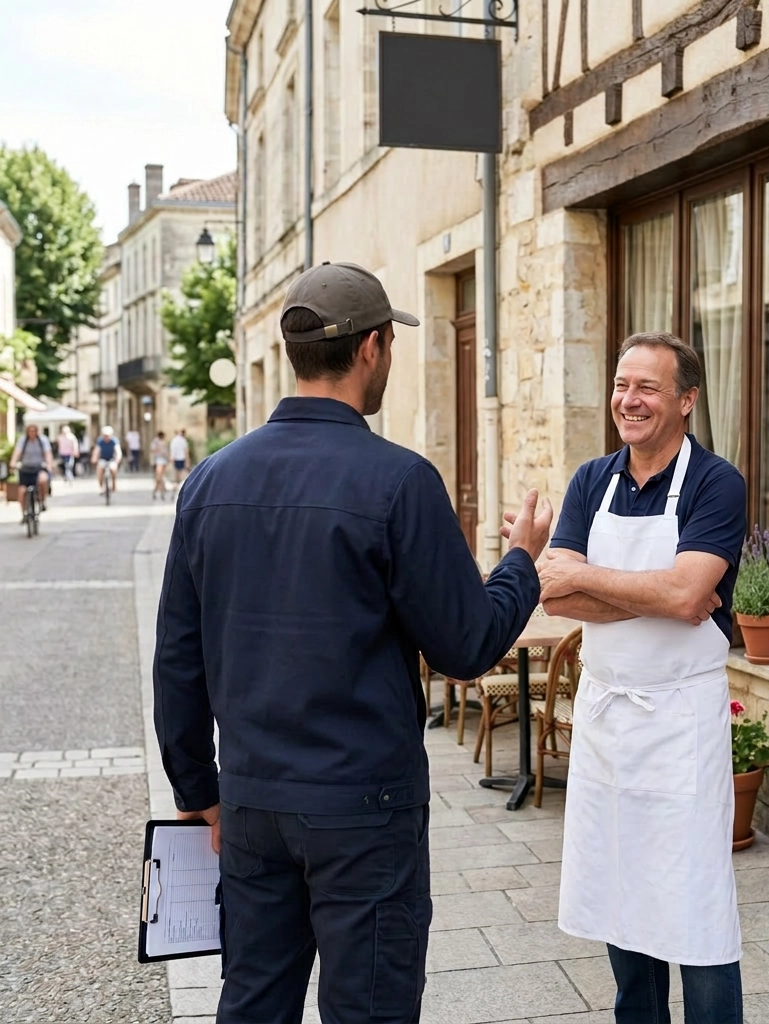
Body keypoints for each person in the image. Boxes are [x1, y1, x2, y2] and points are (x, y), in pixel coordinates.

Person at [154, 261, 552, 1024]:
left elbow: (177, 658)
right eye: (390, 346)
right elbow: (467, 646)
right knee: (368, 1009)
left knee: (252, 1007)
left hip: (253, 799)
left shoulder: (209, 481)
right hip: (363, 808)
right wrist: (521, 565)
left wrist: (197, 790)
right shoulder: (400, 482)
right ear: (372, 349)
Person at [539, 332, 747, 1024]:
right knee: (618, 896)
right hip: (607, 723)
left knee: (696, 908)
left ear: (687, 400)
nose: (629, 400)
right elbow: (555, 597)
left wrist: (591, 579)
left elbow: (690, 598)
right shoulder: (591, 480)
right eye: (623, 385)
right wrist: (656, 594)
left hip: (680, 724)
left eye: (648, 388)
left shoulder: (717, 484)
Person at [12, 423, 54, 520]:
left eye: (34, 431)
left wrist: (49, 464)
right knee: (22, 491)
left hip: (39, 468)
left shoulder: (42, 440)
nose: (32, 433)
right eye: (30, 431)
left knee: (43, 480)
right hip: (25, 469)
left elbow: (48, 453)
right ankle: (24, 513)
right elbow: (17, 451)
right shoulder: (23, 440)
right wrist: (13, 462)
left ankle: (42, 501)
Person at [91, 425, 122, 494]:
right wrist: (94, 458)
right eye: (105, 435)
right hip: (103, 458)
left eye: (108, 436)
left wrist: (118, 459)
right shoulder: (100, 441)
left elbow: (118, 451)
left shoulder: (114, 441)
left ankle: (114, 484)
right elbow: (96, 450)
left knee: (113, 469)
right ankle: (101, 486)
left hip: (112, 459)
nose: (106, 437)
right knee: (99, 470)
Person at [151, 431, 169, 500]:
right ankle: (157, 491)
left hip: (163, 460)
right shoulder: (155, 442)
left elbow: (166, 451)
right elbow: (153, 450)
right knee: (159, 477)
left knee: (161, 477)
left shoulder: (163, 442)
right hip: (158, 460)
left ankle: (161, 492)